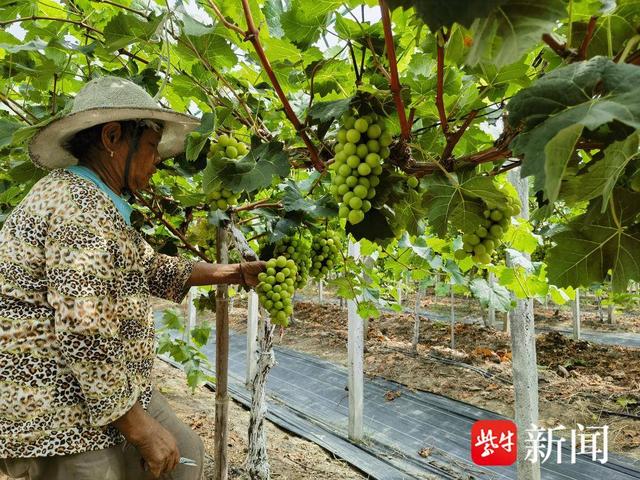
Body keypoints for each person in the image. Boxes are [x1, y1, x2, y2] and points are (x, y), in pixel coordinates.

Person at [0, 76, 265, 480]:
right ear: (112, 136)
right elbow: (84, 327)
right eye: (151, 147)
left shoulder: (95, 202)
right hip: (55, 407)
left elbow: (149, 266)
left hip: (104, 387)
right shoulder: (78, 211)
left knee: (185, 457)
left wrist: (234, 273)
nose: (157, 159)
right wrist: (140, 428)